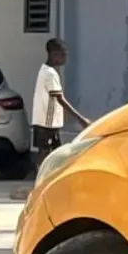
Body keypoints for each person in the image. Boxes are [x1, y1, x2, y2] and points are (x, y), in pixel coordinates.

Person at [31, 38, 89, 172]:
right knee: (45, 151)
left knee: (54, 152)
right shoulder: (49, 74)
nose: (65, 58)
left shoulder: (47, 71)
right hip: (47, 122)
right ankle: (40, 178)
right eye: (63, 54)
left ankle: (51, 177)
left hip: (48, 121)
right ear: (54, 54)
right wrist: (81, 119)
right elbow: (60, 99)